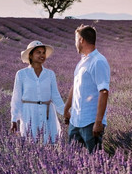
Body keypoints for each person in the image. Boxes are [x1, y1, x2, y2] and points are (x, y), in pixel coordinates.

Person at [64, 24, 110, 153]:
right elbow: (75, 87)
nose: (75, 44)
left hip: (90, 122)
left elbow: (104, 91)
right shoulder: (82, 62)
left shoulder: (98, 61)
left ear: (81, 40)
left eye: (76, 40)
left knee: (95, 161)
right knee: (72, 159)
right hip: (75, 121)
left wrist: (98, 122)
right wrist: (66, 108)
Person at [10, 40, 65, 143]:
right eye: (38, 52)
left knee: (49, 143)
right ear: (30, 55)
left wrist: (66, 113)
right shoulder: (21, 74)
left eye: (43, 52)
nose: (42, 55)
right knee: (30, 142)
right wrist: (14, 119)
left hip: (47, 114)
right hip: (29, 113)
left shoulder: (50, 74)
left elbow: (55, 96)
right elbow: (16, 97)